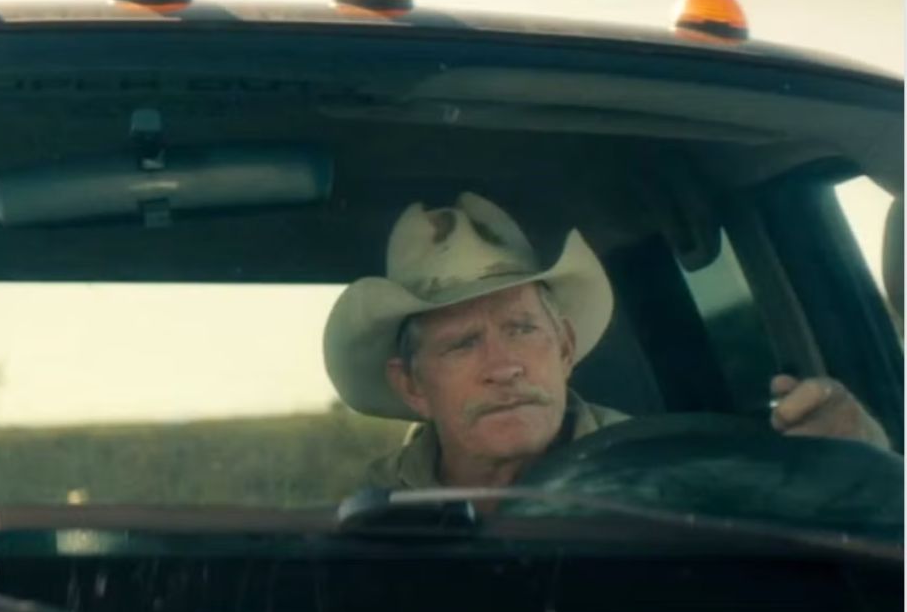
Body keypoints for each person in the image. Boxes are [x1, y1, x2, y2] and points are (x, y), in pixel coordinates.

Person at [322, 193, 892, 490]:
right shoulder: (373, 509)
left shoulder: (675, 467)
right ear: (412, 385)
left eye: (522, 330)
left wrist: (865, 467)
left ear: (565, 347)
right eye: (462, 344)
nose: (505, 367)